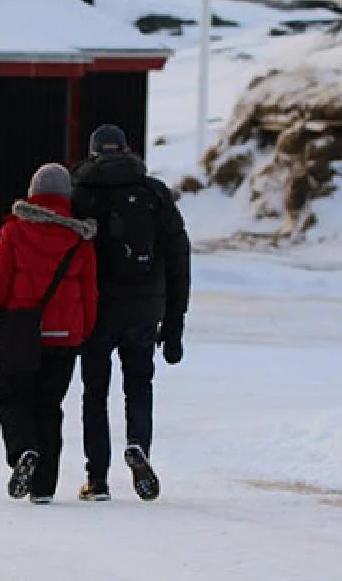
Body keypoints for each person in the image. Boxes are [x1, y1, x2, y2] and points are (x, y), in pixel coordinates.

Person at [71, 124, 191, 502]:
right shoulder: (153, 193)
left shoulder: (81, 194)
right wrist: (173, 327)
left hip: (97, 310)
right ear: (128, 150)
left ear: (93, 154)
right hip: (144, 309)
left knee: (95, 393)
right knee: (139, 385)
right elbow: (178, 261)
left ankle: (98, 480)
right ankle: (138, 444)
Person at [0, 163, 98, 505]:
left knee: (12, 399)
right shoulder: (80, 239)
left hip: (21, 334)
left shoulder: (16, 231)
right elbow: (90, 293)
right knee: (49, 406)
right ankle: (43, 488)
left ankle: (24, 451)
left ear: (33, 193)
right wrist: (83, 333)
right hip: (65, 337)